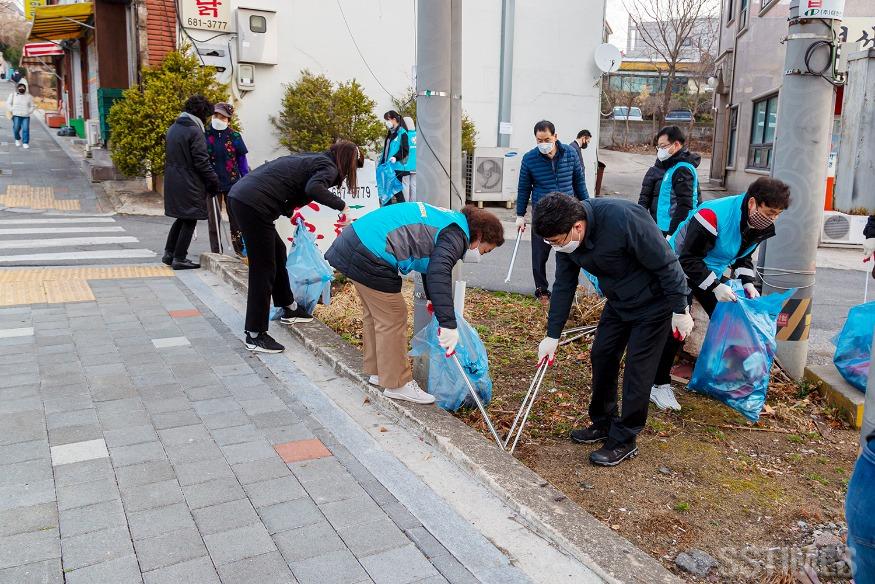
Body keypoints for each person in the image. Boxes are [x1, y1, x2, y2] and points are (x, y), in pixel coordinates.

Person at [533, 193, 692, 466]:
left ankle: (625, 438)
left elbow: (667, 263)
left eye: (556, 241)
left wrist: (680, 309)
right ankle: (604, 422)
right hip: (619, 302)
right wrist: (552, 334)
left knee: (637, 370)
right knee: (602, 355)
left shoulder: (623, 218)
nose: (556, 247)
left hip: (655, 304)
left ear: (577, 227)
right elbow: (563, 286)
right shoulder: (567, 245)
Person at [325, 202, 505, 405]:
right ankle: (397, 384)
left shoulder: (450, 221)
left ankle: (379, 371)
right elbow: (439, 271)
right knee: (393, 315)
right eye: (485, 250)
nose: (480, 255)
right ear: (479, 236)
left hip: (356, 242)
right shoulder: (456, 235)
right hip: (369, 252)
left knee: (377, 315)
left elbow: (429, 262)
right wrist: (448, 324)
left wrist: (431, 298)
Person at [649, 177, 791, 411]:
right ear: (753, 203)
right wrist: (716, 287)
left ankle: (723, 378)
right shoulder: (713, 215)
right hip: (677, 267)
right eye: (770, 212)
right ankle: (658, 384)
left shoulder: (758, 223)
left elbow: (743, 255)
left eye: (778, 215)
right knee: (678, 327)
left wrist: (747, 282)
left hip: (709, 269)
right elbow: (688, 259)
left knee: (731, 319)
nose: (773, 219)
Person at [228, 141, 358, 353]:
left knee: (278, 253)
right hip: (252, 204)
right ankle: (255, 334)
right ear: (347, 160)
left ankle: (289, 307)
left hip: (243, 197)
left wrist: (289, 210)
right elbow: (313, 188)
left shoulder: (314, 159)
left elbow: (290, 182)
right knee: (263, 269)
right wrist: (343, 207)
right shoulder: (329, 167)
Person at [516, 120, 589, 306]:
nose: (543, 144)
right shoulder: (529, 158)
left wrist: (588, 206)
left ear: (555, 137)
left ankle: (567, 289)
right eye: (539, 140)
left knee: (568, 252)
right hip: (542, 214)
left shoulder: (570, 153)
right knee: (539, 255)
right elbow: (524, 188)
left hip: (568, 213)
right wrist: (520, 215)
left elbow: (579, 182)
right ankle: (541, 290)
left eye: (547, 139)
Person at [162, 95, 219, 270]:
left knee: (182, 217)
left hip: (173, 179)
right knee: (190, 218)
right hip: (189, 181)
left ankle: (169, 253)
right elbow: (201, 161)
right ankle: (180, 258)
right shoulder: (194, 131)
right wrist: (213, 181)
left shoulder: (174, 127)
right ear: (201, 113)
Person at [638, 125, 701, 237]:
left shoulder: (682, 169)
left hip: (673, 230)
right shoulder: (661, 169)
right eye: (658, 147)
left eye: (663, 147)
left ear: (676, 144)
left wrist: (672, 234)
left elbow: (686, 204)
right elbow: (644, 200)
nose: (660, 151)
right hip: (658, 227)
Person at [205, 102, 249, 256]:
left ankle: (239, 250)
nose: (218, 118)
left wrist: (246, 180)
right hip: (212, 183)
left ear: (228, 119)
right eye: (216, 115)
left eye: (222, 116)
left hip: (233, 183)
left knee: (236, 218)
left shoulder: (235, 136)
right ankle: (216, 252)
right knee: (213, 220)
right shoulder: (205, 134)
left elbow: (242, 161)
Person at [380, 110, 413, 204]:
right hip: (388, 166)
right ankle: (389, 210)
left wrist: (395, 157)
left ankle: (401, 210)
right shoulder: (391, 133)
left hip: (396, 167)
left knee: (396, 191)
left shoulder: (402, 133)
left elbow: (405, 150)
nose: (387, 122)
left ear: (394, 119)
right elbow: (386, 150)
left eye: (388, 120)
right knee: (388, 190)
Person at [7, 80, 35, 149]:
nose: (21, 88)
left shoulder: (29, 96)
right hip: (16, 115)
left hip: (25, 116)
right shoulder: (13, 95)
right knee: (16, 129)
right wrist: (12, 109)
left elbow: (32, 106)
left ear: (25, 88)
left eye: (23, 87)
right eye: (20, 87)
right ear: (17, 88)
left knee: (25, 129)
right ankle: (17, 139)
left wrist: (29, 111)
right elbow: (8, 103)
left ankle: (25, 142)